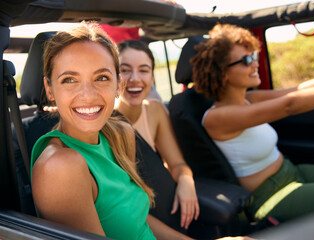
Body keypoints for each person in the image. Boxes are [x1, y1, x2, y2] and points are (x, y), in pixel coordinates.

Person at [30, 22, 251, 240]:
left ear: (118, 84)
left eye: (101, 78)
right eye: (69, 80)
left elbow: (138, 220)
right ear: (50, 89)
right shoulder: (59, 167)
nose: (88, 95)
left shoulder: (116, 135)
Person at [191, 23, 314, 223]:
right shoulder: (217, 117)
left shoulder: (249, 99)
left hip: (292, 172)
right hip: (271, 196)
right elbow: (290, 105)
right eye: (247, 60)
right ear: (223, 72)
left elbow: (299, 89)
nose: (254, 63)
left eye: (253, 56)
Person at [114, 39, 199, 230]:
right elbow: (124, 208)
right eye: (125, 70)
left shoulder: (155, 111)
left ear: (152, 78)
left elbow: (177, 163)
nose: (135, 78)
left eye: (144, 70)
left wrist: (186, 181)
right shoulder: (103, 124)